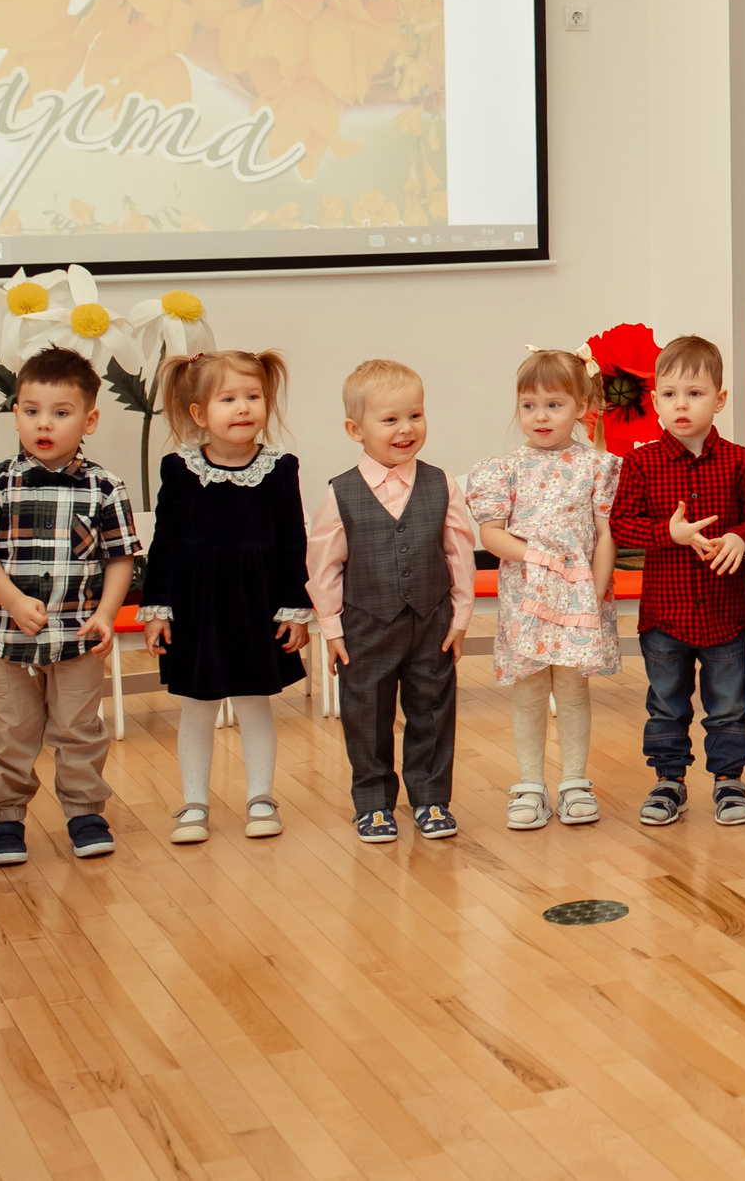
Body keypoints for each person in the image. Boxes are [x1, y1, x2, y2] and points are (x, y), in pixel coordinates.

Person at [0, 348, 142, 866]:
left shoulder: (105, 486)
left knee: (80, 728)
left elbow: (121, 559)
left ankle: (85, 812)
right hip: (6, 636)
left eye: (61, 412)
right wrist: (12, 600)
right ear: (15, 412)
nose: (44, 423)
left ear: (90, 419)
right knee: (10, 730)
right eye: (31, 409)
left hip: (78, 635)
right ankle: (7, 817)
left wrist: (105, 615)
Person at [140, 350, 312, 845]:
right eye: (228, 399)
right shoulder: (179, 468)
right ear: (199, 414)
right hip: (198, 609)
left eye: (252, 397)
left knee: (256, 704)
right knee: (197, 707)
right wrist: (158, 607)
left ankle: (261, 797)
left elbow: (290, 540)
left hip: (256, 606)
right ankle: (194, 802)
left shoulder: (280, 468)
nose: (243, 408)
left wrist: (294, 607)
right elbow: (166, 542)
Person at [306, 359, 477, 845]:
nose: (406, 429)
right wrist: (333, 629)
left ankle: (430, 799)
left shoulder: (441, 484)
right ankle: (374, 803)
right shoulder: (340, 493)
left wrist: (461, 617)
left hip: (431, 621)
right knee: (366, 715)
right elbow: (324, 566)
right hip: (366, 626)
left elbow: (459, 554)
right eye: (390, 420)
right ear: (354, 429)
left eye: (415, 415)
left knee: (433, 710)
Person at [607, 334, 745, 829]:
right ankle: (668, 780)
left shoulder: (741, 461)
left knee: (728, 706)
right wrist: (669, 533)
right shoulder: (640, 462)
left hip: (723, 614)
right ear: (654, 400)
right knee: (665, 705)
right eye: (670, 393)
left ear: (719, 400)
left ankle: (729, 781)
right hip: (665, 615)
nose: (682, 404)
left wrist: (741, 537)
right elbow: (621, 524)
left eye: (695, 393)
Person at [469, 348, 622, 831]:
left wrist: (594, 596)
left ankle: (575, 781)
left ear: (581, 407)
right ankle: (530, 783)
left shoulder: (598, 467)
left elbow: (605, 536)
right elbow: (490, 534)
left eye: (554, 404)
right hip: (527, 596)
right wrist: (536, 556)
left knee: (574, 690)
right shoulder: (505, 468)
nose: (540, 416)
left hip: (580, 595)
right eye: (529, 405)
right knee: (530, 690)